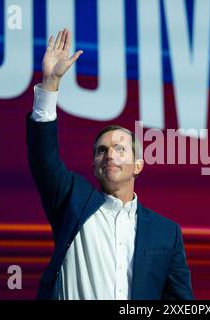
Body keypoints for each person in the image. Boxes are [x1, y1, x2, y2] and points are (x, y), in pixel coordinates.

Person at [26, 28, 194, 300]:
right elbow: (42, 158)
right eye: (101, 150)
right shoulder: (71, 201)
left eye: (119, 148)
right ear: (94, 165)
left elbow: (181, 303)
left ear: (138, 165)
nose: (110, 155)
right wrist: (50, 83)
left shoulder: (167, 232)